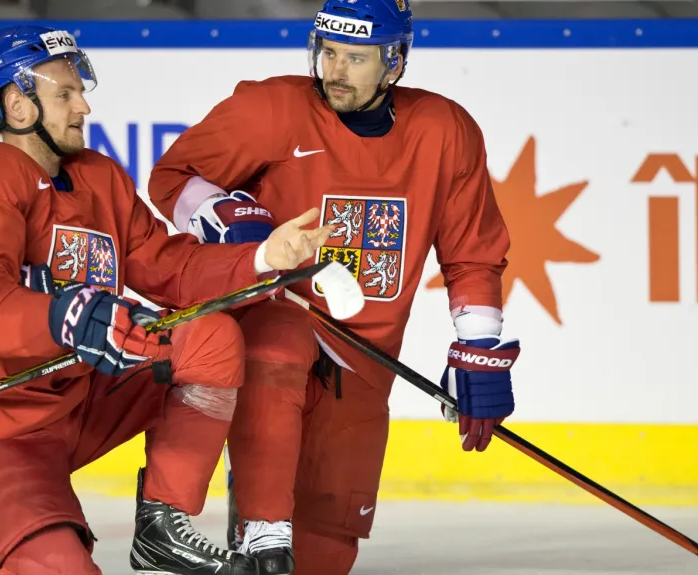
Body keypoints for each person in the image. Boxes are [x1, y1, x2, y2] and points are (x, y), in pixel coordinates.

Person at [0, 25, 335, 575]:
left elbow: (169, 267)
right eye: (64, 94)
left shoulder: (97, 178)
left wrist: (264, 259)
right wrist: (71, 314)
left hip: (73, 402)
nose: (83, 104)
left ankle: (162, 526)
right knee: (62, 567)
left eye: (80, 90)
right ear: (17, 104)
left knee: (209, 337)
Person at [147, 1, 522, 574]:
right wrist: (222, 211)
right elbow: (172, 178)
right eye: (328, 52)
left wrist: (479, 345)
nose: (335, 71)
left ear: (393, 63)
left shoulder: (445, 130)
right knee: (277, 352)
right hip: (280, 318)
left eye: (355, 58)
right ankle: (262, 528)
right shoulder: (271, 109)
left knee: (325, 546)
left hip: (366, 359)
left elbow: (472, 252)